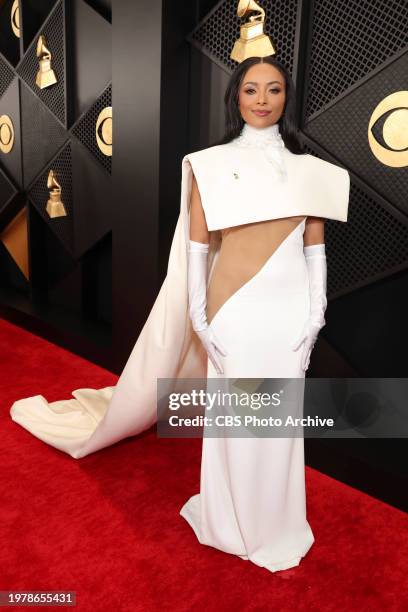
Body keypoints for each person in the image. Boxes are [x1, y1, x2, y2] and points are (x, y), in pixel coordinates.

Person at [10, 54, 349, 569]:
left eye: (273, 89)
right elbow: (195, 250)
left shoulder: (313, 172)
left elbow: (314, 249)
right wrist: (201, 318)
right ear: (235, 96)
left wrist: (315, 316)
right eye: (251, 89)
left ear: (287, 96)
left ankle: (277, 520)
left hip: (290, 313)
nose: (262, 99)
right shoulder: (207, 165)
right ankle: (229, 519)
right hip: (234, 308)